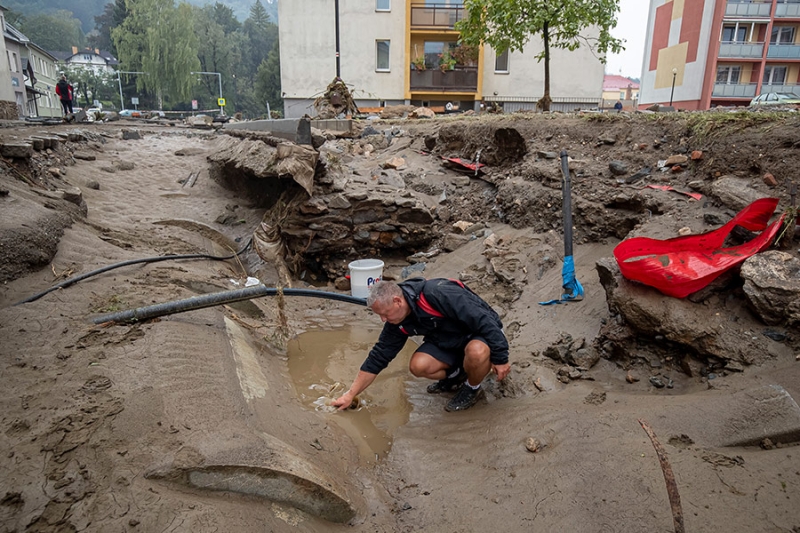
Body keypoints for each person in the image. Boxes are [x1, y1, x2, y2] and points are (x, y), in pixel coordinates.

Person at [331, 278, 510, 412]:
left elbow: (485, 320)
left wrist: (501, 357)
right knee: (418, 365)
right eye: (380, 316)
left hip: (477, 334)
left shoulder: (437, 293)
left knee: (476, 352)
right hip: (448, 340)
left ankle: (472, 389)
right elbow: (379, 356)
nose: (383, 320)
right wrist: (350, 394)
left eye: (385, 314)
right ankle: (457, 376)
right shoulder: (396, 322)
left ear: (397, 301)